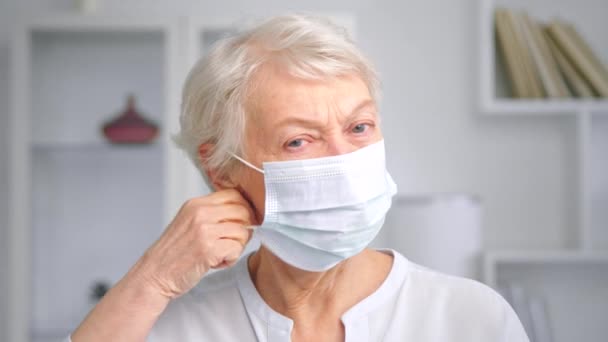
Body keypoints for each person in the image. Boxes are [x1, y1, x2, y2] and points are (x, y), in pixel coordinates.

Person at [67, 14, 529, 342]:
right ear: (220, 168)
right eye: (298, 141)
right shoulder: (174, 326)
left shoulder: (471, 319)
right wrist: (152, 280)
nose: (343, 160)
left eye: (359, 128)